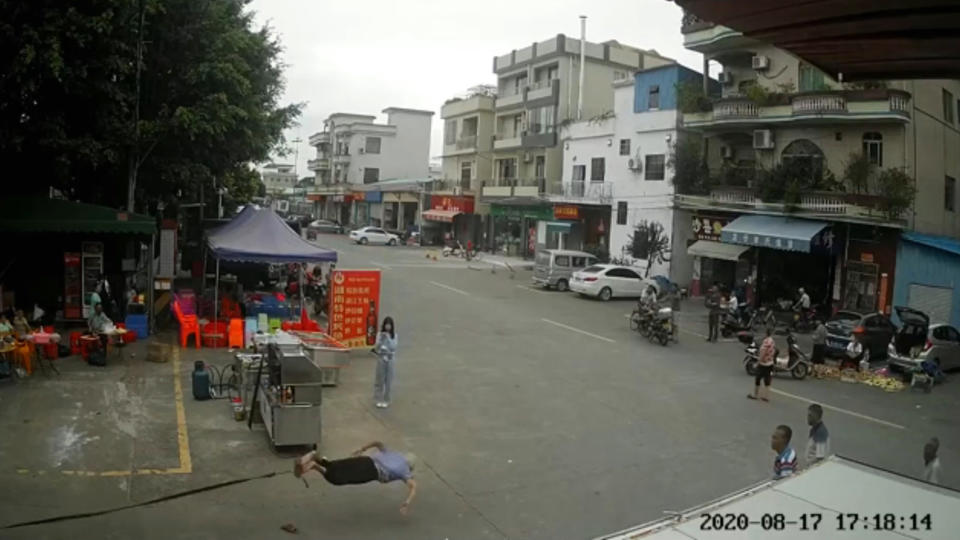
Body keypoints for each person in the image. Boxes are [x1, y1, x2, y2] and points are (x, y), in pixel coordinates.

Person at [294, 441, 417, 515]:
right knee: (337, 479)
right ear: (410, 466)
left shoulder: (392, 453)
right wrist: (406, 503)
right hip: (371, 472)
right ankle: (314, 466)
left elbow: (378, 443)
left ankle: (314, 457)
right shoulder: (405, 471)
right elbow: (413, 487)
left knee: (334, 465)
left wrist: (362, 448)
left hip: (365, 460)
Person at [373, 317, 398, 408]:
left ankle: (387, 399)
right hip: (381, 359)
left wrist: (388, 338)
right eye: (386, 325)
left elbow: (393, 347)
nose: (388, 327)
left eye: (389, 325)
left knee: (388, 381)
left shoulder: (394, 335)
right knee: (379, 380)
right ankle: (378, 399)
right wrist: (381, 339)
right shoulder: (380, 334)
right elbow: (376, 347)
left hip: (390, 359)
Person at [748, 327, 776, 402]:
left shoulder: (766, 342)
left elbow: (763, 353)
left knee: (758, 378)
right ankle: (766, 396)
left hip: (764, 363)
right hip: (770, 363)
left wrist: (758, 363)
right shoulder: (772, 341)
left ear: (766, 333)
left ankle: (755, 395)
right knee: (767, 379)